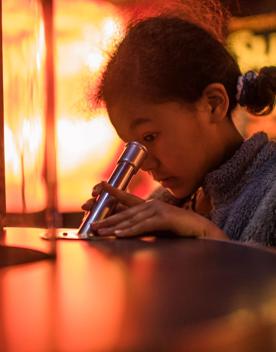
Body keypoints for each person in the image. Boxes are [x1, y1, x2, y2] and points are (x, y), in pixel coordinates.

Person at [82, 3, 276, 246]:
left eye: (150, 137)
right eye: (132, 148)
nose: (145, 165)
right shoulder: (166, 205)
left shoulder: (270, 190)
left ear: (213, 104)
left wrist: (205, 234)